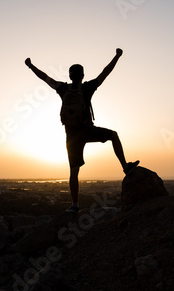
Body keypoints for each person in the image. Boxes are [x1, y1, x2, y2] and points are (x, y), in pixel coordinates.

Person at [25, 48, 139, 213]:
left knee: (73, 171)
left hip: (71, 136)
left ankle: (74, 205)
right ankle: (125, 166)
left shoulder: (62, 88)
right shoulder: (87, 88)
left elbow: (45, 78)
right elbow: (104, 73)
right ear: (82, 76)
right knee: (113, 136)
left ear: (70, 76)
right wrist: (117, 56)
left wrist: (30, 65)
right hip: (87, 130)